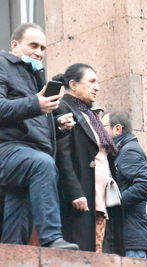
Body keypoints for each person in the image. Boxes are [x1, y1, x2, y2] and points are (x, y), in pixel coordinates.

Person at [0, 23, 78, 249]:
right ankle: (52, 237)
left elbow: (33, 119)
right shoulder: (3, 64)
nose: (39, 52)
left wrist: (58, 125)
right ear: (15, 45)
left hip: (27, 153)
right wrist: (35, 104)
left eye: (43, 47)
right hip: (8, 149)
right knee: (41, 165)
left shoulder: (35, 74)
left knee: (17, 232)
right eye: (33, 45)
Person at [53, 63, 121, 253]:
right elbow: (63, 154)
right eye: (91, 81)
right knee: (83, 252)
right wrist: (75, 191)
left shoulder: (90, 114)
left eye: (97, 82)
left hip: (101, 197)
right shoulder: (63, 108)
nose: (97, 87)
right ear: (73, 85)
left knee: (99, 251)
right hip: (82, 194)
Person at [101, 111, 147, 258]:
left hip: (131, 240)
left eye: (102, 127)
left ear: (117, 129)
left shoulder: (128, 150)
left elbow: (146, 185)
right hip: (126, 237)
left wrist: (115, 203)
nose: (99, 132)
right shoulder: (120, 151)